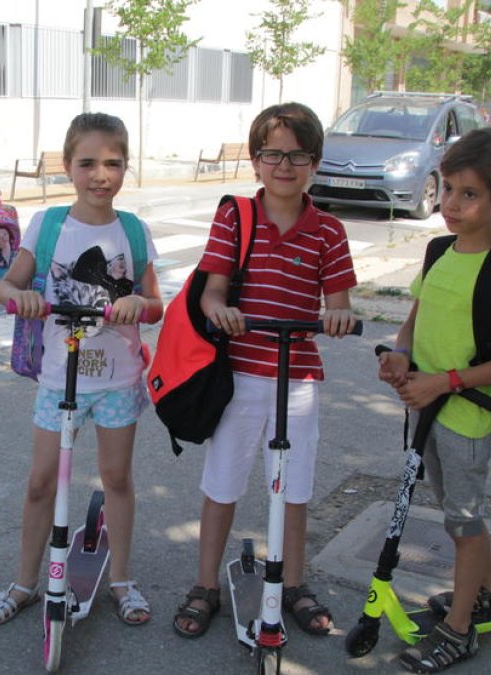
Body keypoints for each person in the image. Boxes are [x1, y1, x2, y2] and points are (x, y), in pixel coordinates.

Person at [172, 103, 357, 640]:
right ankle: (205, 584)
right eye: (273, 153)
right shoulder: (235, 215)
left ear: (315, 163)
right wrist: (220, 310)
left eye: (298, 155)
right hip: (242, 375)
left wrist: (339, 315)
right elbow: (211, 290)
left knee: (293, 488)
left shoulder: (328, 231)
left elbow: (338, 299)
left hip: (298, 379)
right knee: (223, 483)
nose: (284, 164)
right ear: (256, 161)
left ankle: (294, 583)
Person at [0, 112, 163, 627]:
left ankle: (123, 581)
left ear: (126, 168)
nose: (100, 174)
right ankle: (24, 581)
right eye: (87, 163)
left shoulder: (132, 231)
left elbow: (159, 306)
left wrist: (138, 304)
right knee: (41, 481)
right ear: (68, 166)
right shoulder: (48, 226)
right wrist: (22, 296)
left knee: (116, 478)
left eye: (113, 163)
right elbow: (5, 288)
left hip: (117, 380)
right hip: (58, 379)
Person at [377, 128, 491, 672]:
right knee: (455, 515)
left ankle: (461, 627)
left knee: (464, 523)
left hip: (468, 420)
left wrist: (441, 382)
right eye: (447, 189)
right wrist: (399, 356)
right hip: (428, 407)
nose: (450, 204)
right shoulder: (439, 250)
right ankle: (489, 588)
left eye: (468, 194)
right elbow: (412, 325)